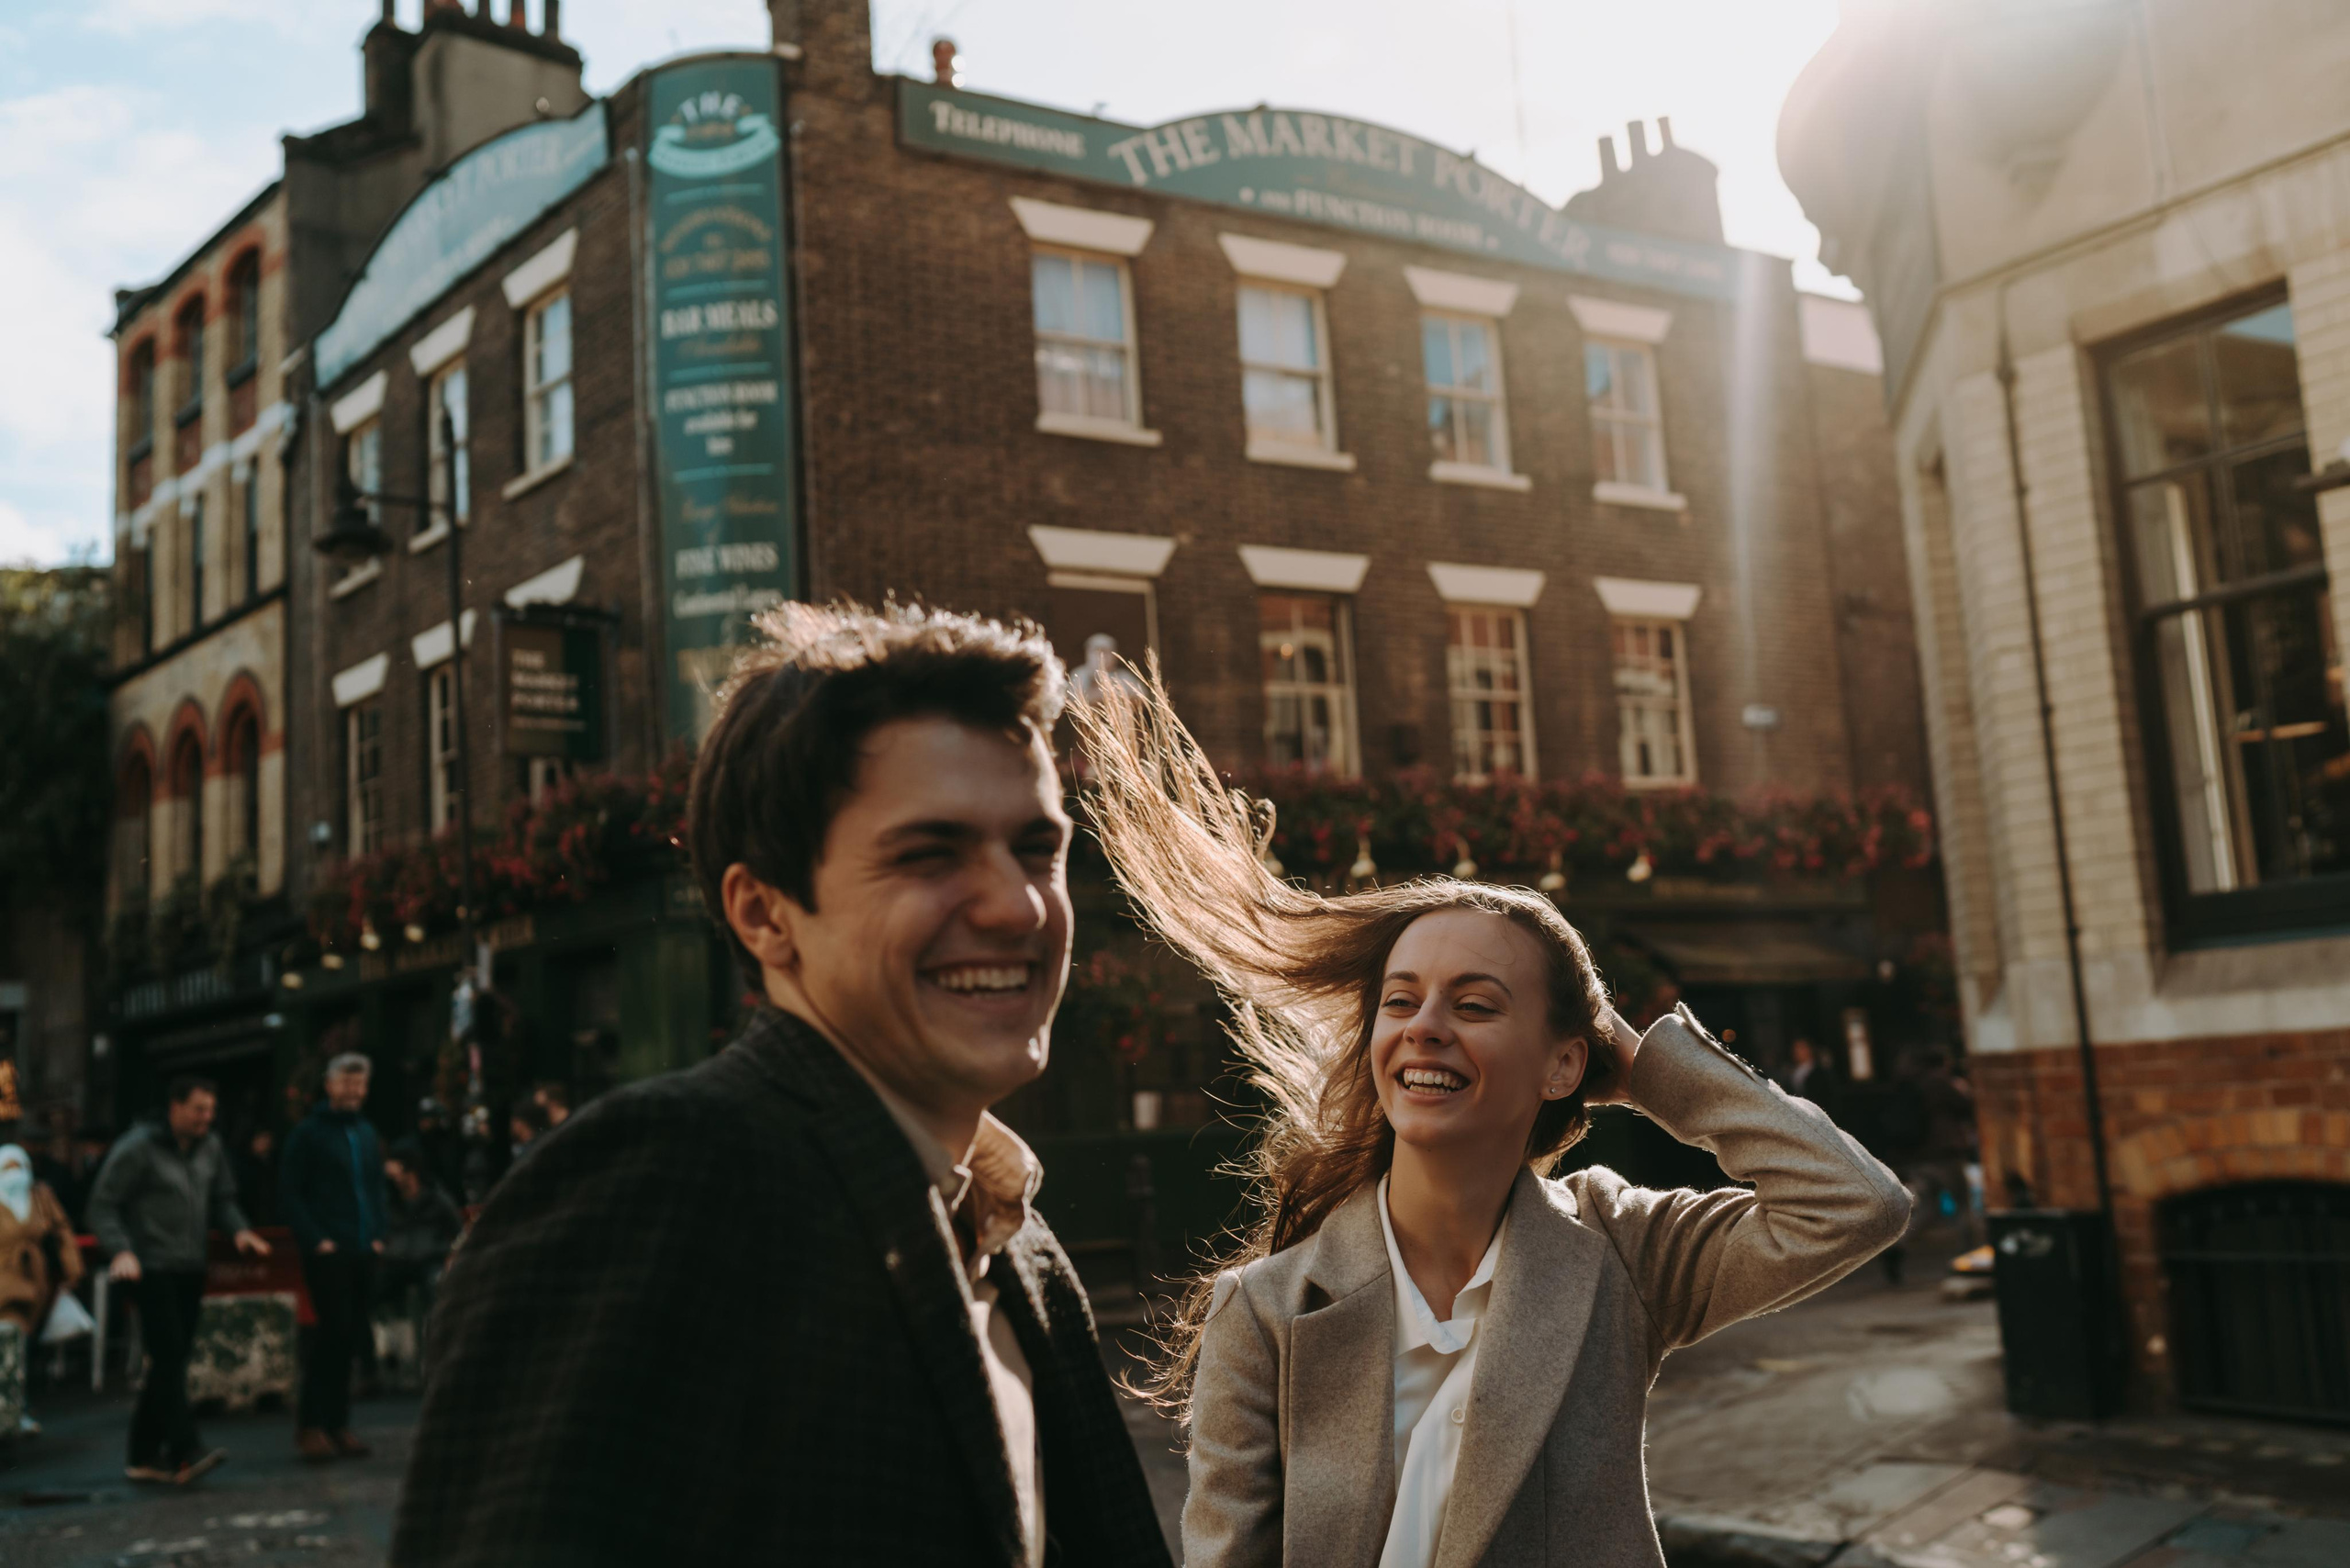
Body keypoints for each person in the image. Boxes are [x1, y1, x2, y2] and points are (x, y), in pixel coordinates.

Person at [1069, 675, 1911, 1568]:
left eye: (1473, 1003)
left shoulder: (1623, 1251)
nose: (1423, 1024)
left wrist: (1649, 1070)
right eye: (1400, 1000)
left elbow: (1854, 1205)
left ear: (1562, 1063)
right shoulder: (1266, 1310)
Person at [396, 602, 1169, 1567]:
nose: (1017, 905)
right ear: (764, 913)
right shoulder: (661, 1185)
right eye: (928, 853)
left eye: (1036, 849)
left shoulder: (1018, 1241)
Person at [87, 1076, 270, 1484]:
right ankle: (185, 1447)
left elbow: (223, 1197)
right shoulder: (138, 1148)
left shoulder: (210, 1147)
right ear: (175, 1106)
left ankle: (142, 1455)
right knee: (168, 1354)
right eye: (198, 1109)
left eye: (211, 1110)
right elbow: (102, 1206)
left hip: (191, 1264)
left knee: (174, 1358)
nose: (207, 1118)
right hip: (150, 1265)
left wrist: (240, 1230)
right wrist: (121, 1250)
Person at [279, 1052, 388, 1463]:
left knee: (351, 1338)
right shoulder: (308, 1134)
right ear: (328, 1085)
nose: (354, 1090)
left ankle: (338, 1425)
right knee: (331, 1334)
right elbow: (290, 1193)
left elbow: (376, 1188)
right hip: (329, 1251)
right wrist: (316, 1239)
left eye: (360, 1083)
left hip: (362, 1248)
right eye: (346, 1082)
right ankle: (311, 1426)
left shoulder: (365, 1133)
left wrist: (378, 1234)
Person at [0, 1142, 84, 1434]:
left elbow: (62, 1230)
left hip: (35, 1281)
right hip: (5, 1284)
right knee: (13, 1340)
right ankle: (14, 1408)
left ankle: (14, 1407)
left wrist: (72, 1269)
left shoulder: (40, 1195)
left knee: (22, 1344)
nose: (14, 1174)